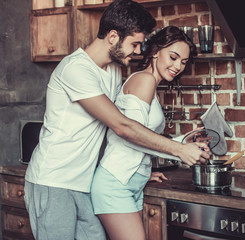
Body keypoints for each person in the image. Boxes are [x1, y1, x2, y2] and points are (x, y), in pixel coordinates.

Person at [24, 1, 209, 239]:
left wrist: (138, 170)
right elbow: (121, 126)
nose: (139, 51)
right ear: (113, 36)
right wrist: (179, 150)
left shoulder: (112, 70)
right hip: (54, 181)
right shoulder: (75, 69)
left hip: (85, 183)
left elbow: (115, 129)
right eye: (134, 44)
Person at [90, 26, 200, 240]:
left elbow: (139, 133)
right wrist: (180, 151)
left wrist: (183, 142)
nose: (178, 66)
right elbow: (129, 134)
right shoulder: (144, 80)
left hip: (128, 180)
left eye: (183, 62)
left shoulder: (147, 83)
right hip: (115, 185)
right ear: (156, 51)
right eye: (174, 57)